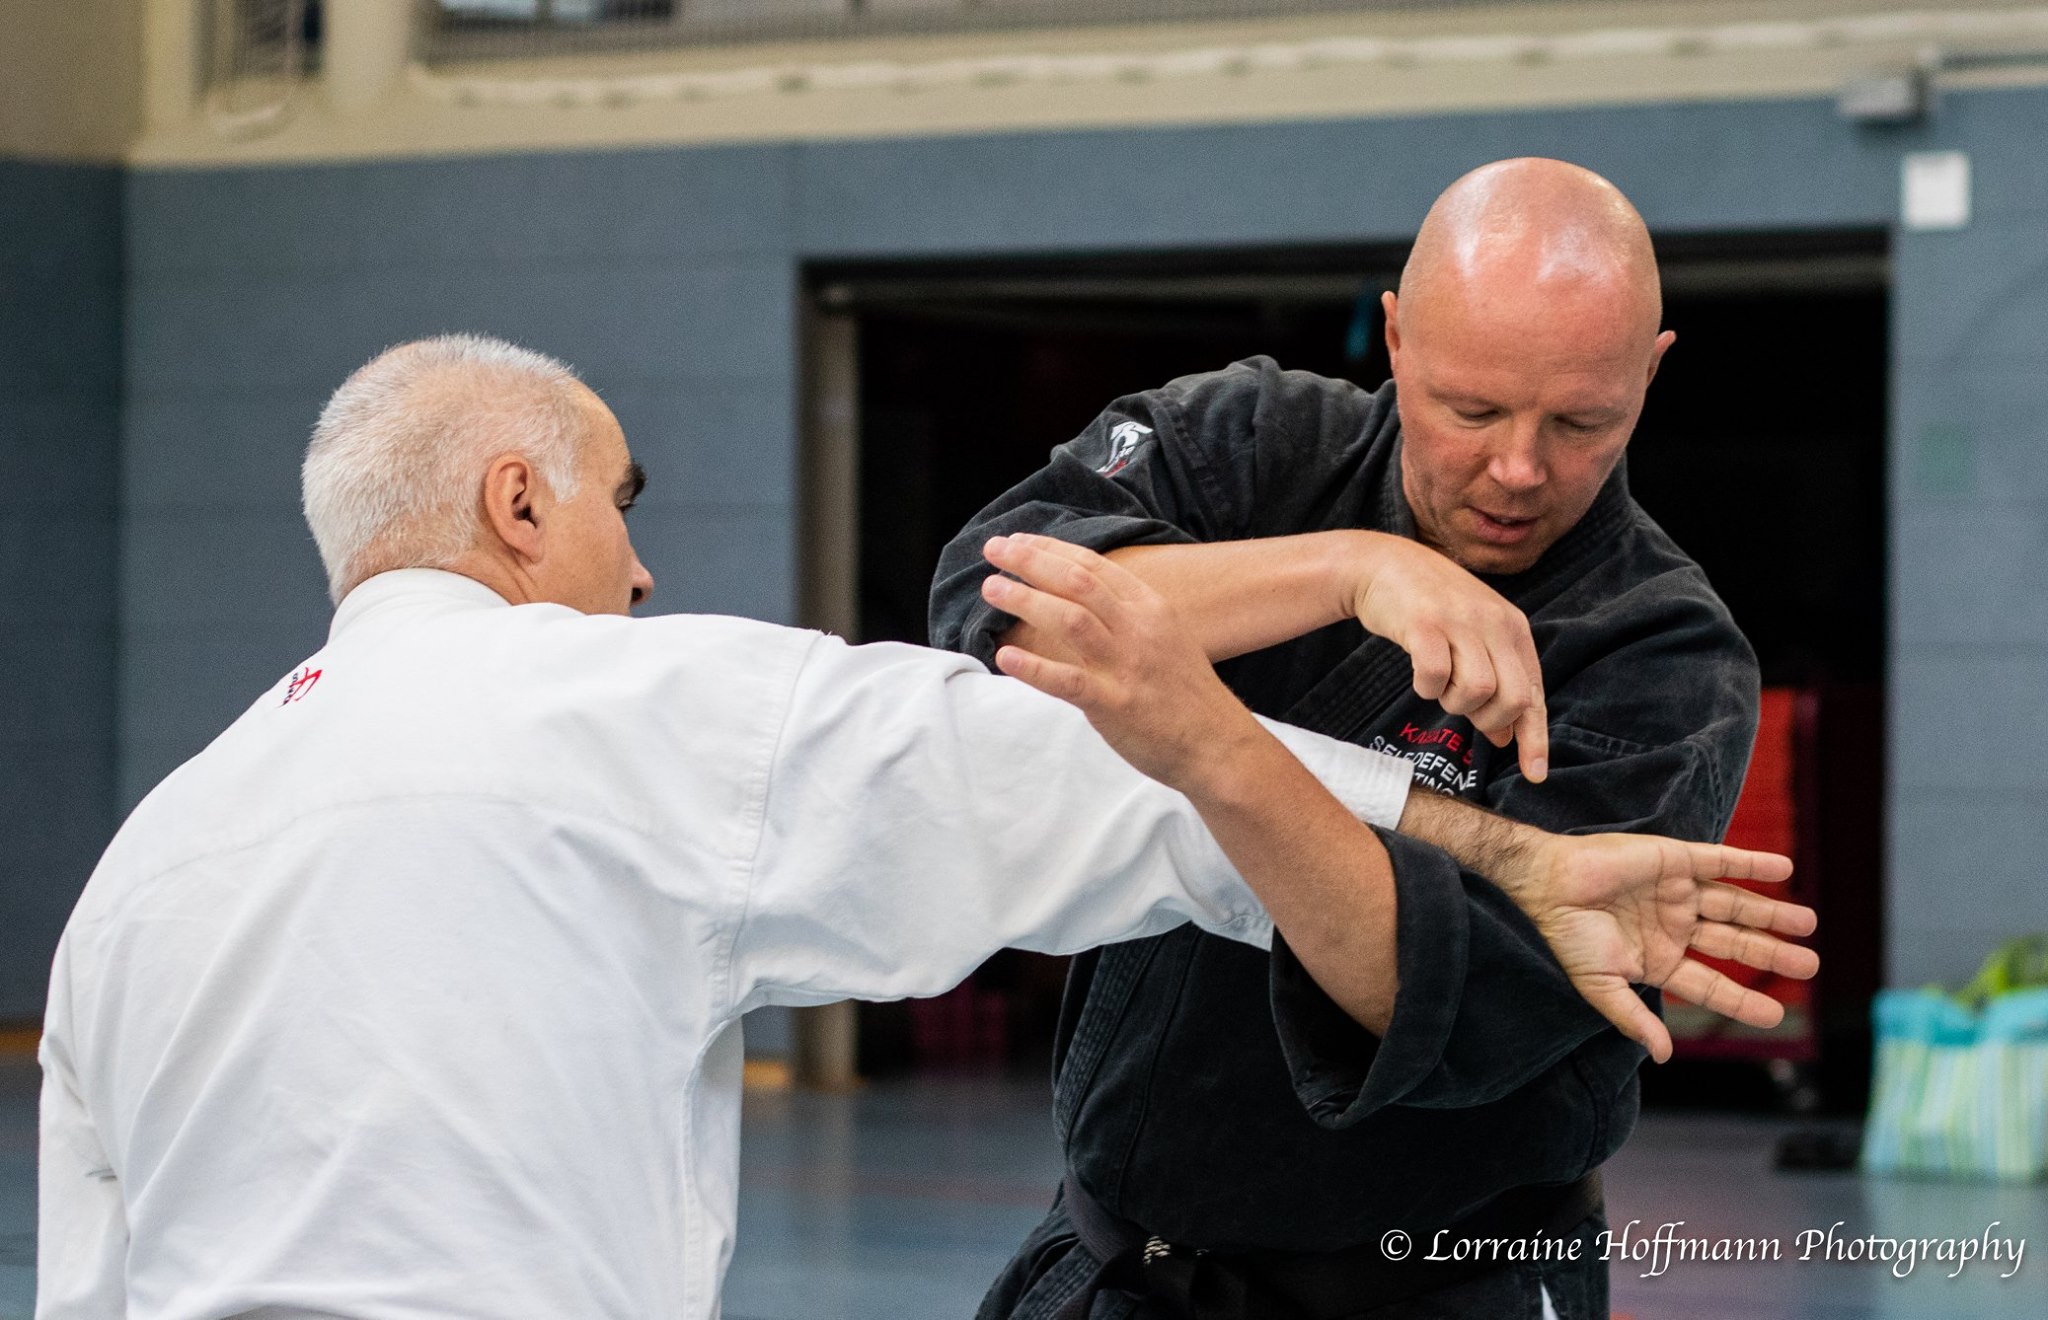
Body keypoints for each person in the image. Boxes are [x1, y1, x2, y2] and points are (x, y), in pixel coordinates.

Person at [36, 336, 1808, 1320]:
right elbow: (1085, 771)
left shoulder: (137, 874)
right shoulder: (644, 707)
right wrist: (1508, 852)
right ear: (516, 503)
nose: (642, 570)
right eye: (618, 510)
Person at [931, 158, 1766, 1318]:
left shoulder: (1662, 654)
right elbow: (1007, 603)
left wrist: (1211, 742)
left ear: (1650, 374)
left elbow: (1447, 1000)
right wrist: (1346, 570)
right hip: (1120, 1263)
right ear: (1394, 339)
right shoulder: (1251, 439)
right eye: (1469, 410)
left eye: (1583, 423)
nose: (1517, 470)